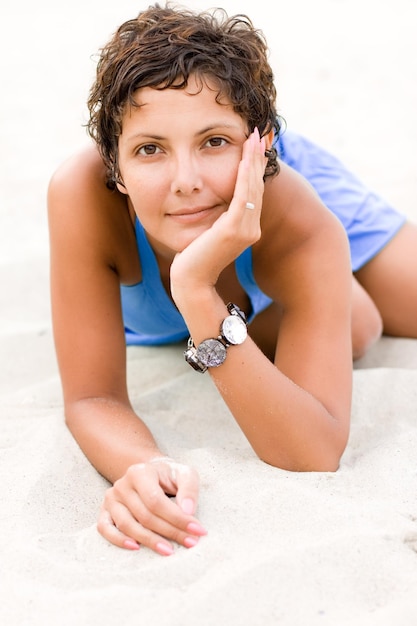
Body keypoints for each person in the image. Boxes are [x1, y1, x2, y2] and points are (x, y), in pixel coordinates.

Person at [47, 3, 417, 556]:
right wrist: (145, 465)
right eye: (150, 150)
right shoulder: (82, 197)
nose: (186, 182)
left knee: (374, 321)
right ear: (115, 167)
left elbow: (313, 453)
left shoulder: (301, 221)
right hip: (249, 231)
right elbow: (92, 397)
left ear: (260, 142)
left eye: (214, 141)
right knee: (355, 325)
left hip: (274, 201)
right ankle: (332, 303)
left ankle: (332, 296)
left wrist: (196, 290)